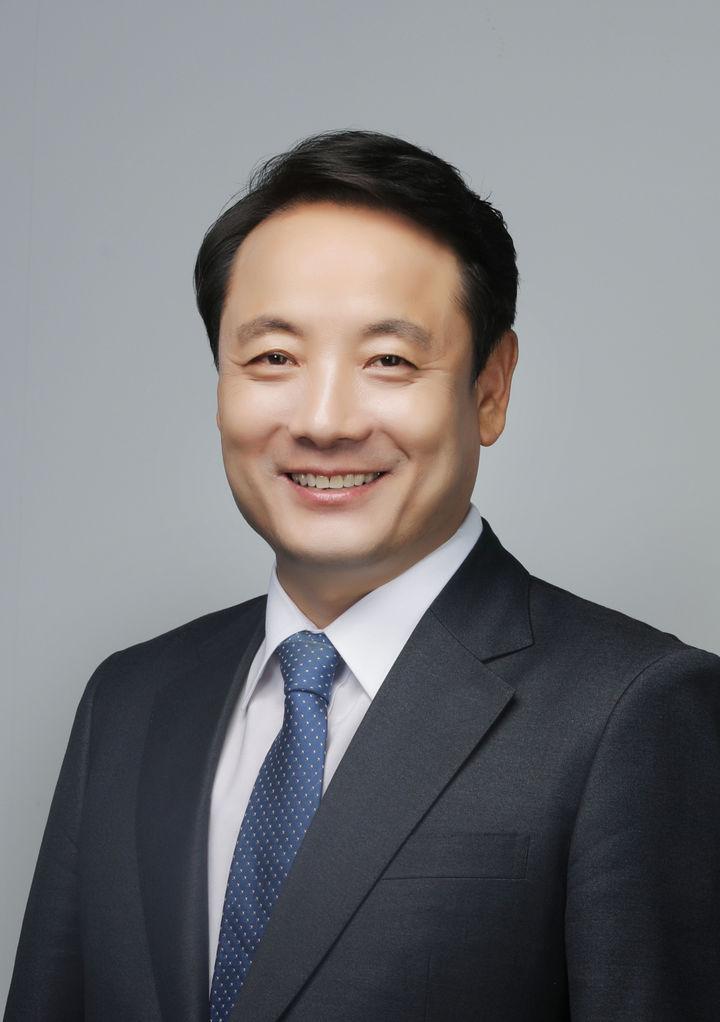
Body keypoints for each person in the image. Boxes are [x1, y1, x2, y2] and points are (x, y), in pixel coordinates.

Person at [4, 128, 719, 1022]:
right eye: (273, 358)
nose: (325, 421)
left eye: (389, 361)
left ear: (490, 388)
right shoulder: (130, 700)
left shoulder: (632, 710)